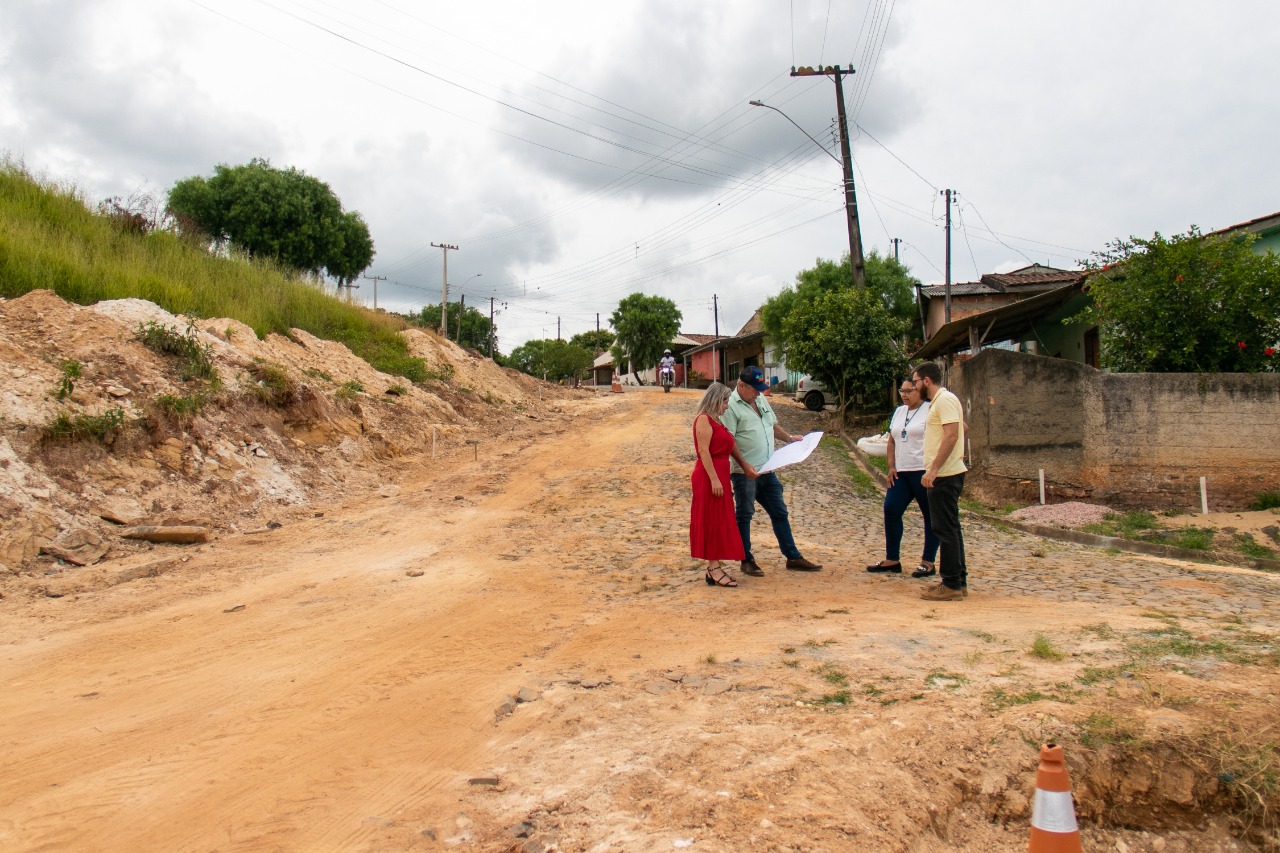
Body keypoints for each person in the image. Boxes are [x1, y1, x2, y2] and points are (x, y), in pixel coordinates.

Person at [722, 366, 823, 576]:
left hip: (768, 469)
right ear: (741, 386)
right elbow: (729, 440)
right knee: (744, 514)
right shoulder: (730, 406)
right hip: (745, 473)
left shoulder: (759, 399)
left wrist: (789, 438)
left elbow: (772, 425)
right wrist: (744, 465)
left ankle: (793, 556)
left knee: (780, 512)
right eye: (754, 389)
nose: (759, 392)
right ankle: (745, 559)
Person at [866, 378, 940, 578]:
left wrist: (934, 468)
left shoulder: (931, 408)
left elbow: (952, 431)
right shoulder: (899, 412)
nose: (905, 394)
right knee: (891, 508)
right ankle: (892, 559)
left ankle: (928, 561)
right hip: (902, 471)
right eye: (902, 390)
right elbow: (892, 440)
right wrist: (891, 466)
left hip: (922, 471)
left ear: (920, 390)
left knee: (930, 516)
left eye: (910, 390)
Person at [690, 382, 757, 587]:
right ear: (715, 399)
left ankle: (715, 566)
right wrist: (714, 479)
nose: (727, 405)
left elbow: (730, 447)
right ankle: (713, 567)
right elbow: (704, 452)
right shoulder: (703, 419)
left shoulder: (717, 421)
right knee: (712, 519)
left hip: (719, 475)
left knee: (720, 519)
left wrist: (744, 465)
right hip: (709, 477)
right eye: (725, 401)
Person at [912, 361, 968, 601]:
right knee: (951, 528)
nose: (914, 387)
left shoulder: (944, 400)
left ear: (926, 381)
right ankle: (957, 580)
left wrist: (933, 468)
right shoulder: (942, 402)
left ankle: (951, 583)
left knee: (944, 529)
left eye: (915, 382)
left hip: (945, 475)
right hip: (947, 472)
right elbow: (961, 428)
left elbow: (952, 434)